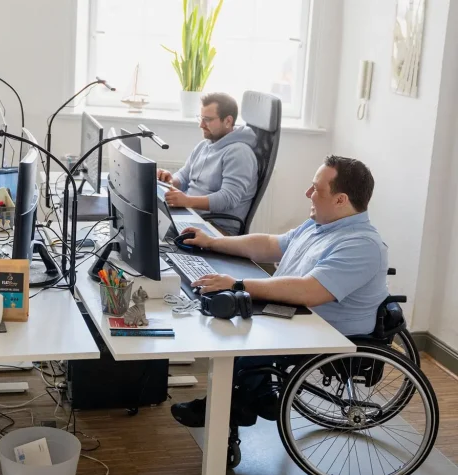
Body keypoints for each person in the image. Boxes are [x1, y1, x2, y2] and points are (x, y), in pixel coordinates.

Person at [170, 155, 389, 428]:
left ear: (341, 199)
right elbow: (270, 244)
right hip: (298, 313)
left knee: (240, 329)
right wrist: (213, 242)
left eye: (316, 189)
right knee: (230, 313)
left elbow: (310, 292)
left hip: (324, 328)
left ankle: (235, 405)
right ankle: (257, 396)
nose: (308, 194)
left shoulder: (361, 245)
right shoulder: (320, 224)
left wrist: (237, 283)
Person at [156, 92, 258, 234]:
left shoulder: (239, 153)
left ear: (228, 121)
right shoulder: (204, 145)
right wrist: (171, 180)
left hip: (215, 227)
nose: (201, 125)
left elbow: (228, 198)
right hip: (191, 215)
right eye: (201, 118)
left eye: (208, 120)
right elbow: (185, 176)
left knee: (152, 228)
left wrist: (187, 201)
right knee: (146, 215)